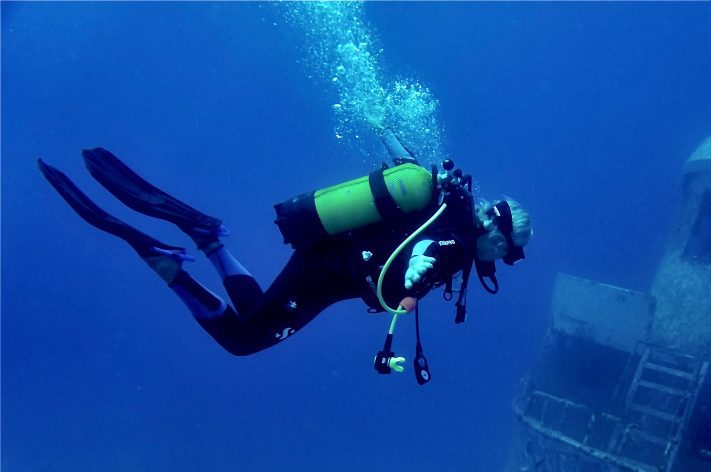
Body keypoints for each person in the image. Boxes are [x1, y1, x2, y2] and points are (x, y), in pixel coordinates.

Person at [37, 134, 532, 383]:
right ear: (499, 240)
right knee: (241, 340)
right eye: (506, 254)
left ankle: (210, 241)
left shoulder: (446, 207)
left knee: (254, 321)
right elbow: (421, 259)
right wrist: (415, 275)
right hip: (330, 272)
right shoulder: (457, 242)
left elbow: (403, 185)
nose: (497, 260)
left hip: (329, 259)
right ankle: (168, 260)